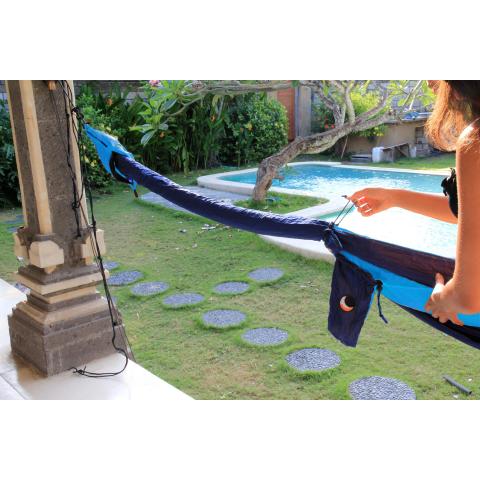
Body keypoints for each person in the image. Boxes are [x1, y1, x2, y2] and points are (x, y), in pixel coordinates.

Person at [348, 80, 480, 327]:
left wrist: (442, 297)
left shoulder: (476, 140)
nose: (429, 82)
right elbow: (471, 212)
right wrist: (394, 197)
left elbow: (467, 297)